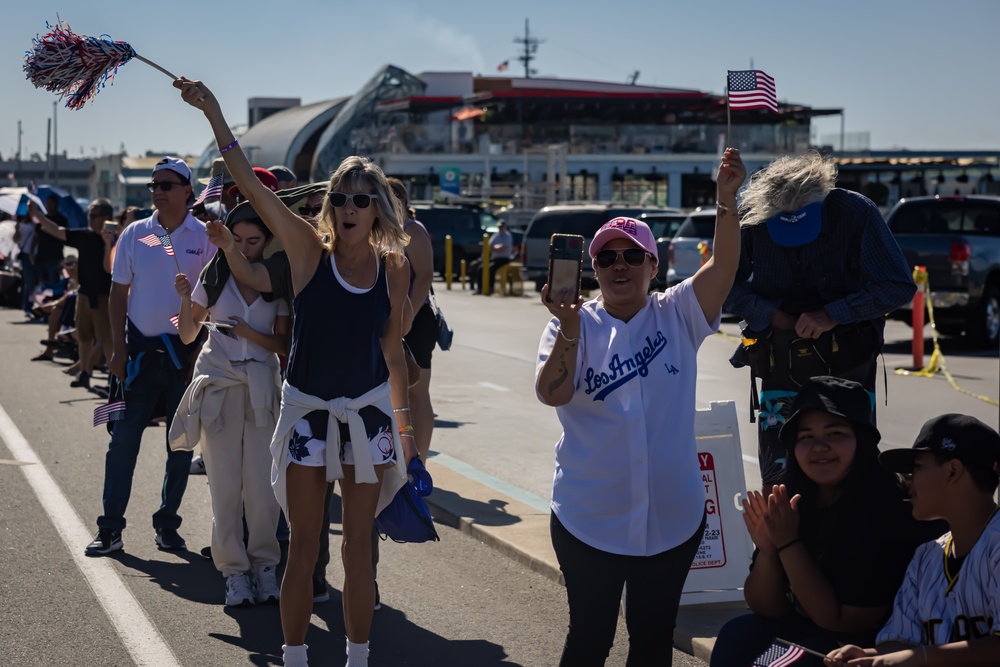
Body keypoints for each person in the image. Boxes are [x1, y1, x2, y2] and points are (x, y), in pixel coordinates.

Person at [176, 76, 416, 667]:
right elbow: (253, 193)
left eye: (363, 198)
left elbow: (393, 354)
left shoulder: (393, 268)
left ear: (379, 208)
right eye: (340, 197)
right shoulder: (309, 250)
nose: (349, 207)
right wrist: (213, 112)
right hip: (308, 410)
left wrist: (410, 441)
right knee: (304, 548)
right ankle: (296, 657)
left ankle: (358, 658)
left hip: (365, 414)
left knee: (359, 549)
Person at [534, 148, 745, 666]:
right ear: (593, 268)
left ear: (655, 264)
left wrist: (725, 200)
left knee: (652, 642)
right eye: (606, 257)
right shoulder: (572, 322)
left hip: (673, 520)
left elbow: (725, 265)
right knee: (589, 638)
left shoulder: (679, 313)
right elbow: (552, 393)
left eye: (632, 255)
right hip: (589, 520)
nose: (619, 265)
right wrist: (568, 329)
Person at [710, 376, 944, 667]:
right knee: (738, 634)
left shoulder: (889, 510)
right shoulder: (795, 499)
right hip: (813, 630)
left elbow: (840, 622)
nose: (819, 446)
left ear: (863, 440)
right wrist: (769, 551)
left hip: (868, 644)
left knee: (795, 659)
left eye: (835, 433)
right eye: (805, 436)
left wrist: (788, 543)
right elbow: (767, 607)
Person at [724, 151, 916, 490]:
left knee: (851, 472)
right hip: (778, 361)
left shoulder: (856, 213)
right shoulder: (752, 217)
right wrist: (773, 316)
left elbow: (898, 286)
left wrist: (833, 314)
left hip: (848, 363)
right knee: (780, 475)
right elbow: (722, 286)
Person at [84, 156, 216, 557]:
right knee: (121, 443)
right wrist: (117, 351)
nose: (157, 191)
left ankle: (167, 525)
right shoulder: (135, 234)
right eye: (154, 185)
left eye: (167, 184)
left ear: (187, 190)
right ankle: (110, 529)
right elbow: (118, 294)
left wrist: (200, 350)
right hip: (138, 355)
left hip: (185, 356)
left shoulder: (207, 235)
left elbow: (216, 296)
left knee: (180, 446)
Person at [169, 207, 290, 607]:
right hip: (220, 388)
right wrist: (187, 300)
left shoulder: (277, 280)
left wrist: (249, 333)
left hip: (260, 390)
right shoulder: (215, 275)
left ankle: (265, 568)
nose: (243, 247)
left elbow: (284, 345)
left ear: (268, 241)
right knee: (224, 487)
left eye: (253, 241)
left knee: (263, 488)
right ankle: (234, 573)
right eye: (235, 239)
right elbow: (189, 335)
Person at [825, 414, 1000, 667]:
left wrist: (922, 657)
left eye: (917, 466)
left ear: (953, 471)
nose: (906, 479)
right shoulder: (926, 556)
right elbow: (902, 641)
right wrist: (871, 656)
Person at [29, 198, 114, 389]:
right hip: (84, 294)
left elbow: (109, 268)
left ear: (106, 217)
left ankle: (112, 378)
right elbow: (57, 231)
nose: (90, 219)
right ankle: (85, 372)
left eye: (94, 216)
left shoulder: (116, 238)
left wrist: (109, 240)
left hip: (104, 296)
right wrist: (37, 215)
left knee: (107, 339)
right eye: (89, 216)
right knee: (84, 336)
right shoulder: (85, 236)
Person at [469, 220, 513, 294]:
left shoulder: (507, 236)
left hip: (504, 259)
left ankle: (490, 288)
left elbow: (502, 248)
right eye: (499, 227)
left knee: (491, 269)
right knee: (481, 268)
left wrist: (495, 248)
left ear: (505, 227)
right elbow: (489, 247)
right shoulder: (495, 235)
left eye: (502, 227)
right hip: (494, 258)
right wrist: (495, 248)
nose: (500, 228)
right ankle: (480, 288)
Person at [35, 194, 67, 287]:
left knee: (54, 285)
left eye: (51, 203)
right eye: (47, 203)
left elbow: (64, 237)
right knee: (42, 285)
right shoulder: (42, 220)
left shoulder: (62, 220)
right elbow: (36, 236)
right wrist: (32, 252)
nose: (49, 205)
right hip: (41, 258)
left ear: (56, 204)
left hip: (55, 258)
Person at [13, 212, 38, 317]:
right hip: (26, 256)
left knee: (36, 283)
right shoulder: (22, 224)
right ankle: (28, 307)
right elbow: (15, 239)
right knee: (30, 283)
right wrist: (17, 229)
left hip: (39, 257)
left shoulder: (40, 224)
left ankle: (35, 306)